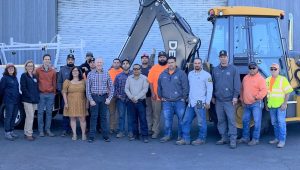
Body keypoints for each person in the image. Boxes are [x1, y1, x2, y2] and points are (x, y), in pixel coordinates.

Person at [177, 58, 213, 145]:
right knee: (186, 120)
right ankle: (186, 139)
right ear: (193, 64)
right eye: (195, 63)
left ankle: (201, 139)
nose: (197, 65)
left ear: (201, 64)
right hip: (191, 102)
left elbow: (210, 89)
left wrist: (208, 101)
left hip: (200, 102)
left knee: (201, 122)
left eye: (198, 63)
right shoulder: (190, 74)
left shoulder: (207, 75)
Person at [212, 50, 240, 149]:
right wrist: (213, 96)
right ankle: (224, 138)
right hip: (219, 101)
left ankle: (233, 139)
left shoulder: (234, 69)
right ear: (219, 58)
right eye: (221, 57)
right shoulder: (215, 70)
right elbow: (213, 84)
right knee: (221, 120)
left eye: (224, 57)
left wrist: (235, 96)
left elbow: (237, 84)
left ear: (227, 58)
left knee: (231, 120)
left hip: (229, 101)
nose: (223, 58)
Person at [158, 56, 189, 143]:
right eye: (169, 62)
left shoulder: (181, 73)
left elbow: (185, 87)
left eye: (172, 62)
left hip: (179, 101)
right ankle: (167, 135)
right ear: (167, 64)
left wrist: (184, 98)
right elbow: (159, 87)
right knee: (167, 120)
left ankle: (181, 136)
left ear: (175, 63)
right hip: (167, 102)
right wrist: (161, 97)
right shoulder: (162, 74)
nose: (170, 64)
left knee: (181, 120)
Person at [238, 61, 267, 146]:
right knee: (245, 120)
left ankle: (255, 139)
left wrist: (257, 97)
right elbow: (242, 89)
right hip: (246, 104)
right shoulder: (245, 78)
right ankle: (245, 138)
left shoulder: (261, 79)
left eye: (254, 68)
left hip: (256, 104)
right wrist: (242, 99)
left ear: (257, 68)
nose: (252, 70)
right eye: (250, 68)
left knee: (257, 121)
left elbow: (264, 90)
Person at [86, 58, 114, 142]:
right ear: (95, 63)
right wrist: (90, 100)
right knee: (93, 117)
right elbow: (87, 89)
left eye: (100, 62)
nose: (99, 64)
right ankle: (91, 136)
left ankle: (105, 136)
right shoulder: (90, 74)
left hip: (104, 97)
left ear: (103, 63)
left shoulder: (107, 73)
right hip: (94, 97)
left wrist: (109, 98)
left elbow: (111, 88)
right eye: (97, 62)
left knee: (103, 117)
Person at [266, 63, 293, 148]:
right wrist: (266, 103)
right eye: (272, 69)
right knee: (275, 123)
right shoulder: (267, 80)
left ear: (278, 70)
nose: (273, 71)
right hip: (271, 106)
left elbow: (288, 92)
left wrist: (285, 103)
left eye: (275, 69)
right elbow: (266, 93)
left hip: (280, 106)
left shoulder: (283, 79)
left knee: (281, 123)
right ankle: (277, 138)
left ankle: (282, 140)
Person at [62, 66, 88, 141]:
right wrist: (66, 103)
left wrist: (87, 103)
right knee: (72, 119)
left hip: (82, 102)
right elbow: (64, 92)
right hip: (71, 103)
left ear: (79, 72)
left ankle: (83, 134)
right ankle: (74, 134)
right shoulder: (67, 81)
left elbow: (88, 92)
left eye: (77, 71)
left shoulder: (83, 81)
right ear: (71, 72)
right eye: (73, 71)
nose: (75, 72)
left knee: (82, 119)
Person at [125, 64, 149, 143]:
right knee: (133, 119)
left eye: (137, 69)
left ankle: (145, 136)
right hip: (131, 102)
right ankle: (136, 135)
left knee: (143, 119)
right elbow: (126, 89)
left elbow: (145, 90)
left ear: (140, 70)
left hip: (141, 102)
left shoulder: (144, 78)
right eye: (134, 69)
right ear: (133, 70)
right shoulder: (129, 78)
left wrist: (136, 98)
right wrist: (131, 97)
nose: (136, 70)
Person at [147, 51, 168, 139]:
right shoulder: (154, 68)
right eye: (160, 57)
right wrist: (152, 93)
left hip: (168, 97)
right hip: (156, 96)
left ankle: (168, 133)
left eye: (163, 57)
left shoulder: (170, 67)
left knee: (168, 116)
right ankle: (155, 131)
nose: (162, 58)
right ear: (158, 58)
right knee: (156, 115)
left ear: (166, 58)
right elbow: (150, 82)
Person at [36, 54, 57, 137]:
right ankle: (41, 130)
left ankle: (47, 130)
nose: (47, 60)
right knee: (40, 113)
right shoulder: (38, 70)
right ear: (43, 60)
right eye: (45, 59)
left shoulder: (53, 71)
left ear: (50, 60)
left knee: (49, 113)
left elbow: (54, 83)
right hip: (41, 94)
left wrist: (54, 93)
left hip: (51, 94)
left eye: (48, 59)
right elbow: (36, 81)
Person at [0, 63, 20, 141]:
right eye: (9, 68)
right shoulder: (4, 78)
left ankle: (11, 131)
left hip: (16, 100)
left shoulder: (15, 78)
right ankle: (7, 133)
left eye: (12, 68)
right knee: (8, 117)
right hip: (8, 101)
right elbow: (1, 89)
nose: (11, 69)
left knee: (14, 116)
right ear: (7, 70)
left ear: (14, 69)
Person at [20, 60, 40, 141]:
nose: (30, 67)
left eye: (31, 66)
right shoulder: (24, 76)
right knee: (30, 117)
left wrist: (36, 97)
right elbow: (23, 88)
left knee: (29, 117)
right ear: (26, 67)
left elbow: (36, 88)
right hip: (27, 100)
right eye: (28, 66)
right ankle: (29, 134)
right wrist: (30, 96)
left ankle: (26, 132)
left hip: (34, 100)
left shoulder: (34, 76)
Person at [57, 54, 75, 137]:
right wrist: (61, 91)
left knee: (74, 112)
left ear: (74, 60)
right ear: (66, 60)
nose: (70, 61)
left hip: (75, 95)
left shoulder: (77, 69)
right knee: (65, 112)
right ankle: (65, 129)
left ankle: (72, 128)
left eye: (72, 59)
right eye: (69, 59)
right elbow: (59, 82)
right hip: (65, 95)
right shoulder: (62, 70)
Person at [114, 59, 132, 138]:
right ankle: (121, 131)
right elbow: (115, 88)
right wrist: (118, 96)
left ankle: (131, 131)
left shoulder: (133, 75)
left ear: (129, 65)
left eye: (127, 63)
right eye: (123, 63)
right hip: (121, 99)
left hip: (131, 99)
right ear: (122, 65)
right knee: (121, 116)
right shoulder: (118, 76)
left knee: (130, 116)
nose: (125, 65)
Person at [140, 52, 155, 135]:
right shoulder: (138, 69)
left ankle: (149, 128)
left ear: (148, 59)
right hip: (140, 95)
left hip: (149, 94)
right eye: (143, 58)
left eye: (146, 58)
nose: (144, 59)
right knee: (141, 112)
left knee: (149, 112)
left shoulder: (151, 69)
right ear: (141, 59)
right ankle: (142, 128)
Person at [108, 58, 123, 134]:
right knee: (112, 112)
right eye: (115, 62)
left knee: (120, 112)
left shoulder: (123, 72)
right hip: (111, 95)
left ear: (120, 64)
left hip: (120, 96)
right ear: (113, 64)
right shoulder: (109, 72)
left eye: (118, 62)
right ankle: (112, 127)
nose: (116, 64)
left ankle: (118, 128)